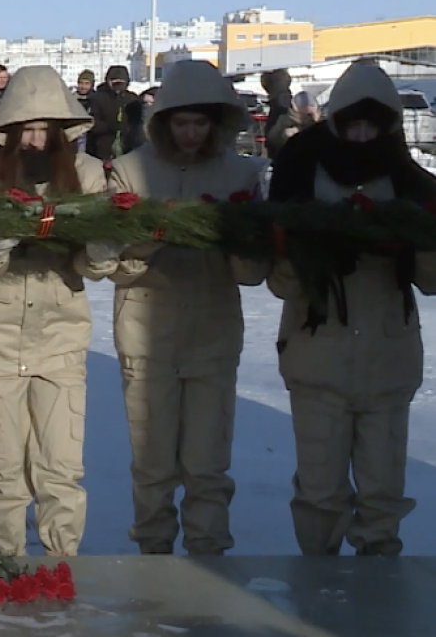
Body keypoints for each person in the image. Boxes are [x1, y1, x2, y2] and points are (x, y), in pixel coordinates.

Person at [267, 62, 436, 556]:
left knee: (383, 493)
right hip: (317, 357)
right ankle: (318, 592)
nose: (362, 136)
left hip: (388, 359)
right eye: (352, 124)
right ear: (336, 121)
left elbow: (430, 282)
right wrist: (308, 251)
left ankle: (377, 595)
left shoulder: (411, 186)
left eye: (373, 125)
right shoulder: (302, 178)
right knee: (320, 493)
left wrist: (414, 241)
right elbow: (278, 283)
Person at [103, 60, 268, 556]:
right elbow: (113, 264)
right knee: (152, 464)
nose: (191, 133)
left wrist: (233, 235)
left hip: (212, 335)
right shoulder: (131, 171)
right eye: (182, 123)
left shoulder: (241, 173)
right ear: (164, 122)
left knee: (207, 464)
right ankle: (153, 554)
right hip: (145, 334)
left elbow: (252, 272)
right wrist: (150, 236)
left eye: (201, 123)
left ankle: (208, 556)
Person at [0, 66, 110, 557]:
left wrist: (103, 251)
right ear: (10, 127)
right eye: (29, 126)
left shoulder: (86, 177)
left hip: (59, 338)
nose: (38, 139)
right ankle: (9, 562)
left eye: (48, 128)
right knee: (3, 468)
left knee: (61, 467)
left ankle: (61, 560)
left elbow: (90, 267)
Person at [86, 65, 138, 162]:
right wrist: (110, 127)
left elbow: (138, 123)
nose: (117, 85)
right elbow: (91, 123)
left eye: (121, 82)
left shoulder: (132, 99)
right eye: (114, 81)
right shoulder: (98, 98)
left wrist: (128, 129)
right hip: (102, 150)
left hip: (127, 148)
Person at [266, 91, 319, 159]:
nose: (306, 113)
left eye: (310, 112)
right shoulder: (284, 120)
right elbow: (271, 140)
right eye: (303, 110)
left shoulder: (322, 120)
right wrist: (284, 135)